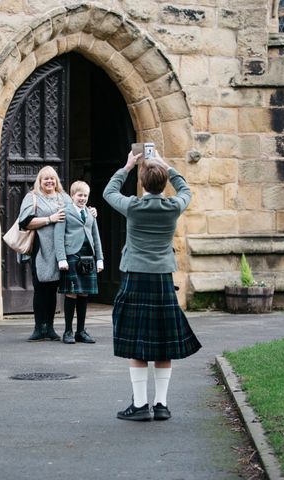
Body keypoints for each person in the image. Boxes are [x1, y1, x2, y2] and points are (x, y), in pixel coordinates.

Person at [103, 151, 202, 421]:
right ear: (163, 183)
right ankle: (161, 405)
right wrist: (166, 165)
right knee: (163, 342)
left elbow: (108, 192)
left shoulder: (133, 206)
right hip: (162, 279)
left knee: (138, 342)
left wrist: (126, 166)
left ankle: (139, 405)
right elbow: (186, 189)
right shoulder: (174, 206)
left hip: (135, 276)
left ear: (143, 184)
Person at [17, 167, 98, 342]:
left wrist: (91, 212)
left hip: (61, 250)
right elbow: (25, 223)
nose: (49, 181)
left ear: (56, 181)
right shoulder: (32, 197)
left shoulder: (64, 197)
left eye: (52, 178)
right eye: (45, 179)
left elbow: (78, 211)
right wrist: (49, 219)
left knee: (53, 289)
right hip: (41, 248)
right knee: (40, 288)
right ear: (39, 181)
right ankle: (39, 328)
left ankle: (51, 328)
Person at [54, 180, 104, 344]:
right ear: (72, 195)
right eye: (79, 195)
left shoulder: (91, 213)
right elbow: (58, 237)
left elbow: (96, 237)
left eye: (85, 195)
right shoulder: (64, 212)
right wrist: (61, 258)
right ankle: (68, 331)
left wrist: (100, 259)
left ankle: (81, 331)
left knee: (84, 293)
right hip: (71, 256)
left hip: (87, 257)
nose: (82, 198)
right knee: (71, 293)